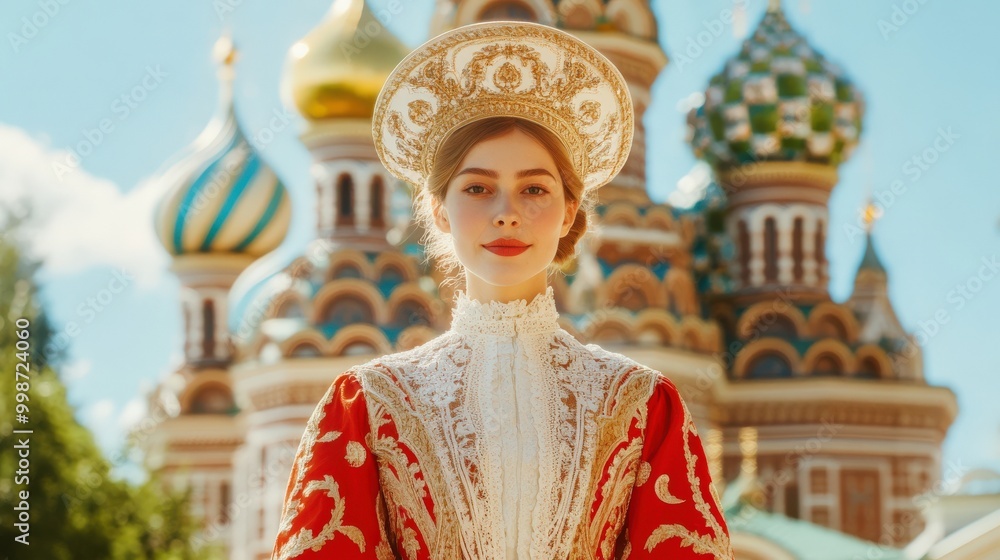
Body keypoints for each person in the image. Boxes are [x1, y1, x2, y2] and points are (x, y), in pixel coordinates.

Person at [271, 20, 733, 560]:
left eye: (534, 188)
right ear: (440, 211)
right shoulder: (368, 405)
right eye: (478, 187)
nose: (507, 214)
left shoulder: (640, 404)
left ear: (568, 213)